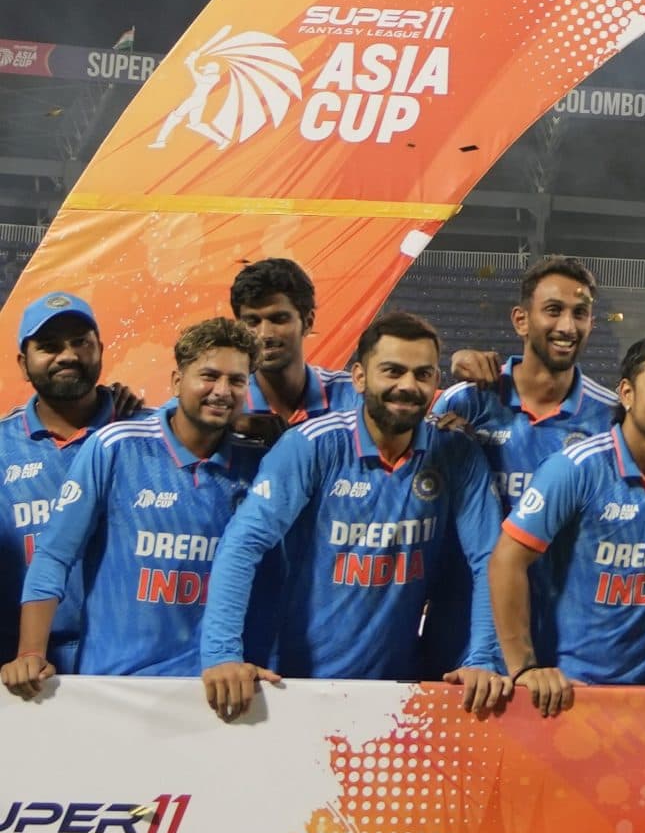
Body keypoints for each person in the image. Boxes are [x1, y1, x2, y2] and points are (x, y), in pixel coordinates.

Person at [198, 313, 502, 717]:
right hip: (292, 690)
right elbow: (243, 544)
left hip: (398, 694)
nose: (408, 386)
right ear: (359, 377)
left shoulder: (457, 453)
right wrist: (221, 654)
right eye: (392, 371)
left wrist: (484, 658)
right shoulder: (312, 447)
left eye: (423, 374)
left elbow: (490, 560)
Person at [460, 335, 645, 717]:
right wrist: (525, 667)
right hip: (570, 697)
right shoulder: (575, 468)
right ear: (627, 393)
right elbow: (505, 561)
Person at [4, 318, 260, 694]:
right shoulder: (116, 445)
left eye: (237, 381)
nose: (221, 391)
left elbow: (268, 578)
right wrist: (30, 652)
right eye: (208, 376)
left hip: (210, 687)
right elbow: (54, 554)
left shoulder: (258, 465)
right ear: (176, 381)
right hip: (112, 687)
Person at [431, 255, 622, 515]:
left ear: (590, 324)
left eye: (579, 313)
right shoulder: (466, 401)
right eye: (553, 310)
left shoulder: (611, 416)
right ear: (521, 321)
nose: (567, 327)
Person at [2, 292, 139, 635]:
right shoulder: (3, 446)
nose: (68, 355)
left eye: (80, 342)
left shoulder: (144, 434)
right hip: (23, 665)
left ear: (100, 349)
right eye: (49, 346)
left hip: (127, 667)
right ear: (22, 363)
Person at [229, 258, 358, 431]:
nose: (265, 334)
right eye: (252, 321)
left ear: (308, 322)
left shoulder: (355, 397)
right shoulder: (220, 402)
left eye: (279, 319)